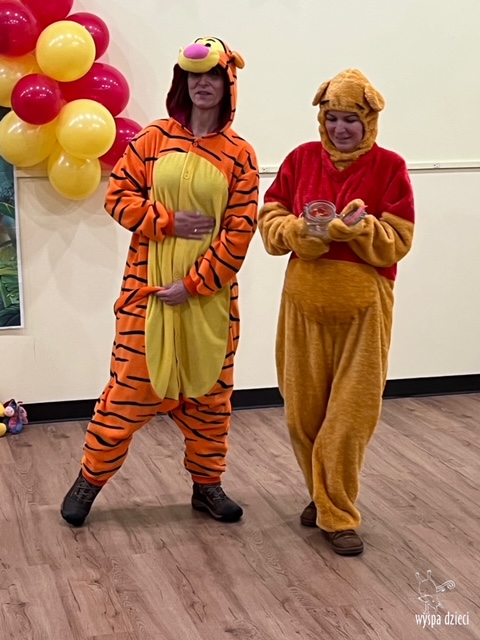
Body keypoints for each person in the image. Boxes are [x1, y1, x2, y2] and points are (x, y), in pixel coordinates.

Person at [61, 37, 259, 527]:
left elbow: (239, 232)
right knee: (127, 392)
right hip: (145, 292)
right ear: (182, 82)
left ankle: (207, 486)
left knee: (210, 400)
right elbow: (117, 196)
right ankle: (89, 480)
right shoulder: (152, 138)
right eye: (194, 76)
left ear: (228, 84)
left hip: (209, 302)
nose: (203, 84)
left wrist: (192, 285)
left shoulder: (241, 155)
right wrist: (165, 221)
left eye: (212, 76)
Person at [258, 69, 414, 555]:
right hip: (302, 306)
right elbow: (270, 225)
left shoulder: (390, 166)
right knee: (302, 414)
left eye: (351, 119)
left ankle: (338, 515)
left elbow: (399, 241)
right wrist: (302, 231)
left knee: (350, 417)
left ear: (369, 120)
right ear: (321, 119)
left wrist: (360, 229)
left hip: (364, 312)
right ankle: (322, 494)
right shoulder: (300, 160)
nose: (340, 128)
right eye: (332, 118)